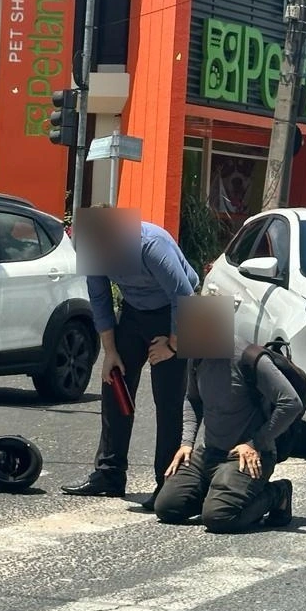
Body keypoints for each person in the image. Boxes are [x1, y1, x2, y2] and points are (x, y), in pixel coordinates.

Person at [61, 206, 199, 511]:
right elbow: (99, 298)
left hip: (182, 311)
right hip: (135, 311)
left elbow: (185, 295)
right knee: (115, 384)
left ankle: (168, 484)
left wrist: (173, 346)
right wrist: (109, 352)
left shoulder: (152, 246)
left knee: (170, 401)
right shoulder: (95, 244)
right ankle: (109, 474)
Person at [154, 340, 303, 532]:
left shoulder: (251, 359)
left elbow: (291, 403)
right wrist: (186, 443)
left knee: (220, 518)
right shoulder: (197, 356)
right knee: (167, 508)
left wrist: (255, 442)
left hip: (248, 456)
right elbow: (192, 399)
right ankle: (220, 493)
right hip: (209, 452)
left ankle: (277, 493)